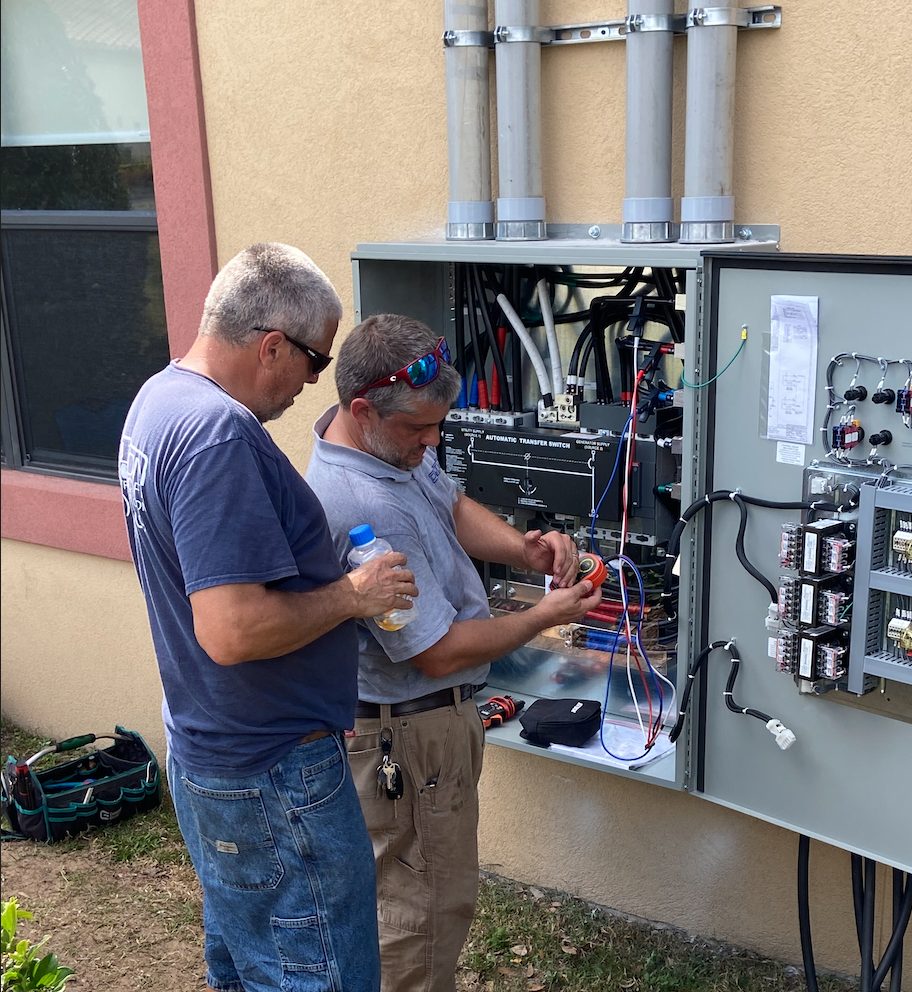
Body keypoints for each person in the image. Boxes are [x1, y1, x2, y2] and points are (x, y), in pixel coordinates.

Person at [117, 244, 418, 992]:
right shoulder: (219, 436)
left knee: (254, 966)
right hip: (271, 772)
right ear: (271, 345)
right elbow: (232, 629)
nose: (310, 385)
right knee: (321, 975)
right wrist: (356, 595)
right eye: (314, 364)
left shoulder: (158, 400)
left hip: (215, 755)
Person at [304, 312, 603, 992]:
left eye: (439, 426)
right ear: (362, 408)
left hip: (427, 729)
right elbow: (434, 654)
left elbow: (451, 503)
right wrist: (542, 615)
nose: (432, 442)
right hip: (408, 736)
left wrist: (527, 548)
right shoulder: (361, 506)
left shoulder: (385, 442)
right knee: (421, 915)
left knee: (429, 901)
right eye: (420, 429)